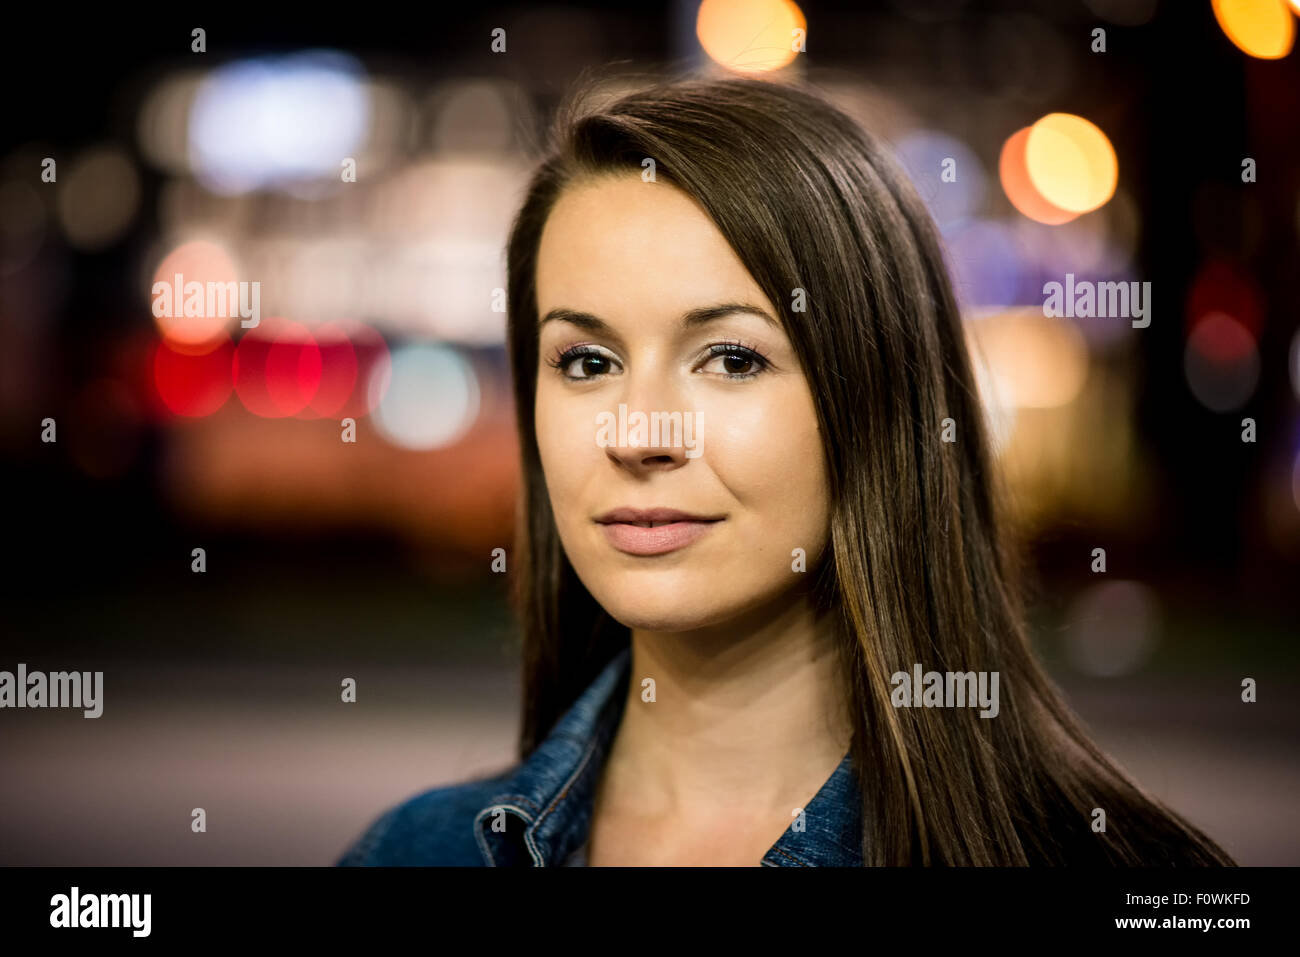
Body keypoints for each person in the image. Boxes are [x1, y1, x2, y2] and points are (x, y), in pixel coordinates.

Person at [337, 73, 1235, 866]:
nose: (639, 433)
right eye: (586, 362)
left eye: (730, 358)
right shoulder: (414, 852)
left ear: (878, 397)